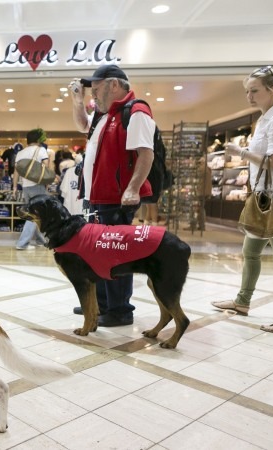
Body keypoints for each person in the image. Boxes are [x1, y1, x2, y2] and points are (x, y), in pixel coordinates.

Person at [68, 65, 155, 327]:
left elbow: (145, 153)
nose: (93, 96)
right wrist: (77, 101)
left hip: (116, 198)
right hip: (97, 197)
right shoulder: (105, 114)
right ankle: (102, 303)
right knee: (98, 252)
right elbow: (83, 124)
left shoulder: (135, 111)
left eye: (96, 90)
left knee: (115, 254)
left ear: (114, 85)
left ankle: (119, 310)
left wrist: (132, 188)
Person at [211, 66, 273, 336]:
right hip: (264, 197)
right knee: (250, 252)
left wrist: (241, 152)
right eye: (247, 91)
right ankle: (242, 301)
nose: (249, 96)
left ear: (272, 90)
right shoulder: (267, 119)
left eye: (254, 90)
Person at [13, 128, 49, 250]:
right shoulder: (41, 150)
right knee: (35, 214)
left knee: (35, 213)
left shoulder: (20, 153)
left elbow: (16, 172)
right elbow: (46, 167)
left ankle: (40, 240)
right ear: (39, 139)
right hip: (37, 186)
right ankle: (22, 243)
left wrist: (14, 187)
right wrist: (47, 182)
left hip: (26, 187)